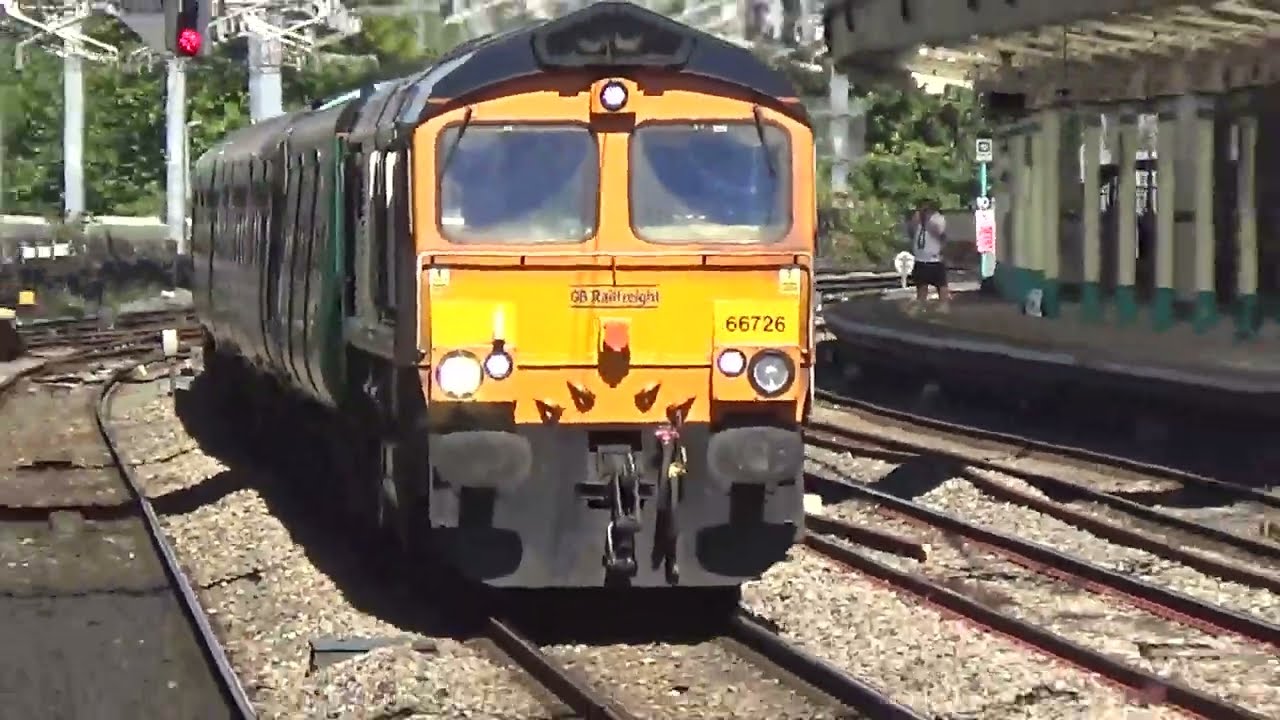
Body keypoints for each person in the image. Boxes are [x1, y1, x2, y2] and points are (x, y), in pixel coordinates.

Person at [905, 200, 952, 315]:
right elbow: (911, 234)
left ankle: (943, 305)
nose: (922, 211)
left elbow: (940, 234)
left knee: (941, 284)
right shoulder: (917, 221)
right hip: (920, 258)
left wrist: (927, 221)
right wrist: (914, 222)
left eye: (925, 209)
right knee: (921, 283)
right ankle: (921, 304)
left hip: (934, 258)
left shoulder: (938, 219)